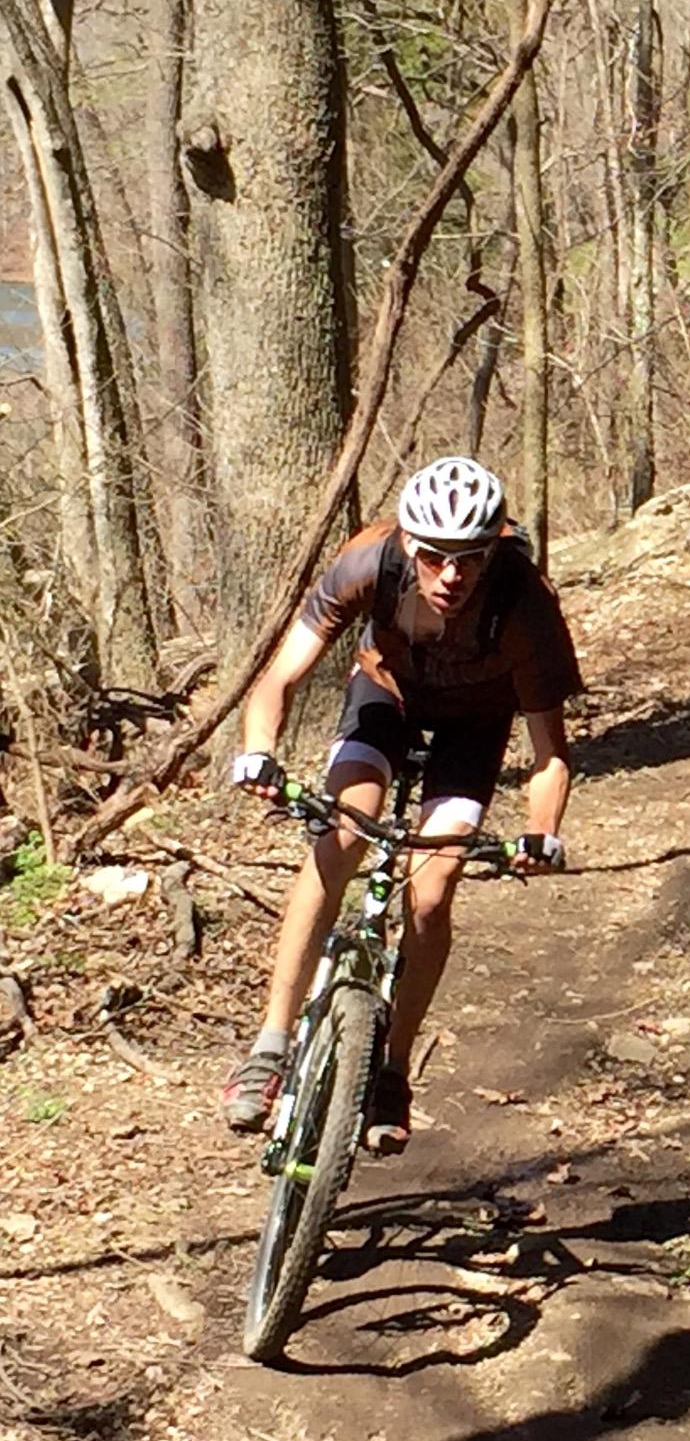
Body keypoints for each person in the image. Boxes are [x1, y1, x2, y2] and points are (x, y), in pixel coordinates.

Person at [220, 456, 582, 1153]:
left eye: (470, 558)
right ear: (410, 545)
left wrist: (542, 832)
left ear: (493, 548)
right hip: (385, 696)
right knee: (342, 835)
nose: (453, 575)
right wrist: (259, 750)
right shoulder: (367, 561)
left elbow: (549, 752)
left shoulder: (526, 607)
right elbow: (280, 677)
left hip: (473, 728)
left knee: (433, 888)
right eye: (437, 556)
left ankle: (390, 1070)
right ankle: (270, 1043)